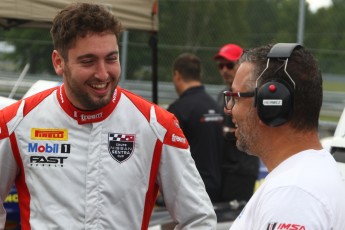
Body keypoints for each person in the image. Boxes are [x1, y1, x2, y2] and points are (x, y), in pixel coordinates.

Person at [0, 3, 216, 229]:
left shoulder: (157, 126)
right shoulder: (17, 122)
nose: (103, 73)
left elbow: (199, 218)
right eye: (88, 61)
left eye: (111, 59)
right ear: (58, 62)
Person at [226, 43, 345, 229]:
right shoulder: (303, 177)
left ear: (270, 105)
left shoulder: (293, 195)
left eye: (236, 97)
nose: (229, 109)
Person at [167, 53, 223, 203]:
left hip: (190, 190)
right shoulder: (215, 106)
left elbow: (169, 155)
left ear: (177, 75)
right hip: (216, 188)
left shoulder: (178, 110)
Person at [214, 43, 259, 202]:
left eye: (229, 65)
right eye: (221, 66)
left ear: (240, 65)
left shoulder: (251, 95)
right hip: (225, 168)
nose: (224, 70)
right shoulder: (222, 95)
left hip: (242, 169)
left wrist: (225, 132)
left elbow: (256, 129)